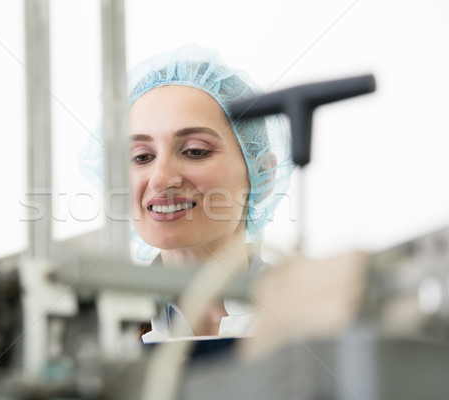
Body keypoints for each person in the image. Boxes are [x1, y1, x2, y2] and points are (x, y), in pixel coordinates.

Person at [81, 44, 293, 342]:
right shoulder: (95, 334)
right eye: (141, 156)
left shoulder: (308, 316)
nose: (161, 179)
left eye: (195, 151)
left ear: (263, 174)